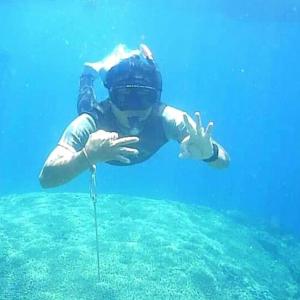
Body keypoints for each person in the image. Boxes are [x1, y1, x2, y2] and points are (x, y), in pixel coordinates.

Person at [39, 44, 230, 188]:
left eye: (145, 97)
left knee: (147, 71)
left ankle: (147, 60)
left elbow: (223, 161)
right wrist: (86, 156)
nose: (135, 108)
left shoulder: (168, 119)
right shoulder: (93, 120)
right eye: (123, 97)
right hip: (95, 122)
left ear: (156, 98)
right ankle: (88, 74)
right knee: (84, 105)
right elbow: (45, 179)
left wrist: (209, 153)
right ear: (111, 97)